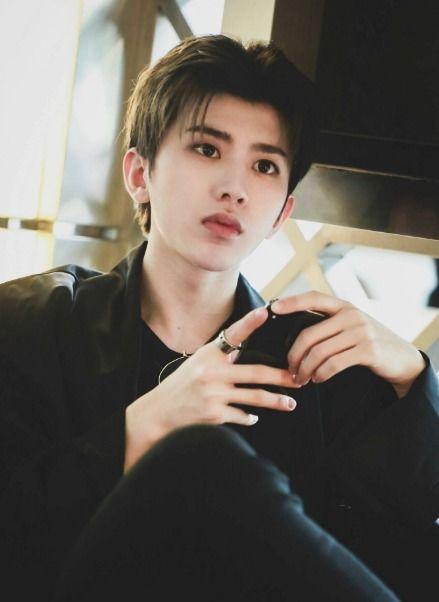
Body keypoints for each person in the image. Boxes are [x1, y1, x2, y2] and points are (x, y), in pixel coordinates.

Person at [0, 34, 438, 602]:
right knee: (200, 460)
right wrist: (140, 429)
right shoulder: (31, 324)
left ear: (282, 213)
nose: (234, 189)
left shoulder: (316, 361)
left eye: (264, 165)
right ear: (139, 173)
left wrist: (413, 376)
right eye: (207, 149)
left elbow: (406, 543)